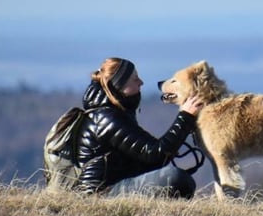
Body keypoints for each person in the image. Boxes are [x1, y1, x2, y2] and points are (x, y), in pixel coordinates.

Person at [75, 57, 204, 198]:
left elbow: (149, 157)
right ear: (119, 84)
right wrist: (185, 117)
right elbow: (155, 154)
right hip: (100, 193)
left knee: (180, 180)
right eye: (135, 79)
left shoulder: (114, 113)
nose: (141, 83)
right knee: (174, 178)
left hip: (116, 184)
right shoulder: (107, 118)